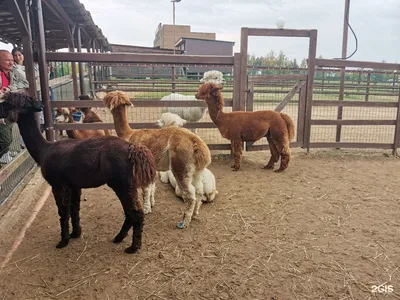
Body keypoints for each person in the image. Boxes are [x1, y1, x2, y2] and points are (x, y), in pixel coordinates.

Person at [0, 49, 29, 163]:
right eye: (8, 60)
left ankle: (4, 153)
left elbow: (26, 83)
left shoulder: (13, 71)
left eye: (12, 60)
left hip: (8, 107)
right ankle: (4, 153)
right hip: (1, 109)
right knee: (6, 139)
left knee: (8, 131)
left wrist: (10, 89)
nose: (12, 62)